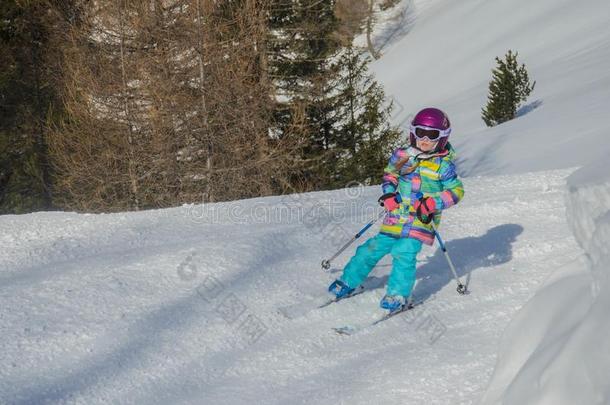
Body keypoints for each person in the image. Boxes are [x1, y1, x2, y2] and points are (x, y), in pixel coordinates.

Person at [328, 107, 465, 312]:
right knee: (370, 249)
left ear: (443, 138)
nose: (425, 139)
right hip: (396, 216)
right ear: (413, 133)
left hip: (421, 219)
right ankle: (349, 281)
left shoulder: (443, 166)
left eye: (432, 135)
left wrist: (432, 204)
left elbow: (456, 191)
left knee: (403, 252)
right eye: (421, 133)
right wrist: (389, 193)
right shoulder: (402, 155)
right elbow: (390, 175)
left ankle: (398, 294)